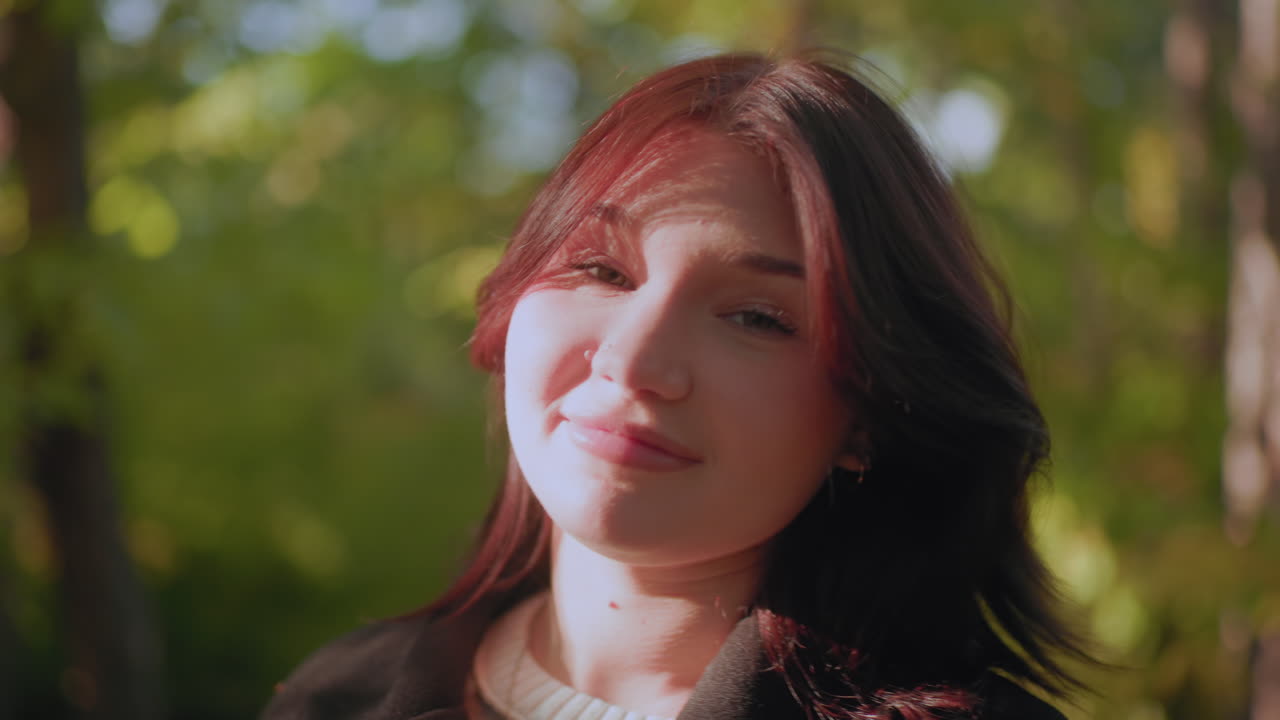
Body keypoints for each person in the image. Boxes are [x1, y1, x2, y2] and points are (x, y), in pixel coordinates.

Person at [261, 51, 1094, 720]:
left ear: (869, 414)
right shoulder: (335, 698)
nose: (634, 362)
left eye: (758, 318)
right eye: (601, 269)